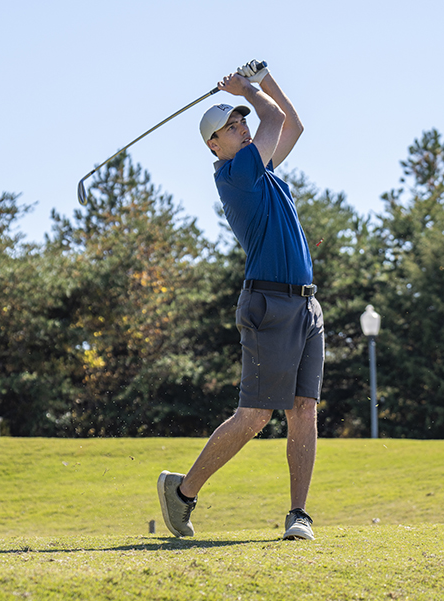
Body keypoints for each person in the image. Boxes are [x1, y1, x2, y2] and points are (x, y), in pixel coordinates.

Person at [157, 60, 324, 540]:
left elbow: (292, 123)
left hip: (305, 306)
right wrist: (248, 89)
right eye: (231, 127)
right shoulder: (236, 176)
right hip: (268, 304)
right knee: (255, 415)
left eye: (242, 120)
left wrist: (265, 78)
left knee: (304, 409)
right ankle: (183, 492)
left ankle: (298, 515)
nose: (243, 127)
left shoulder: (263, 171)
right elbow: (272, 120)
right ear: (214, 145)